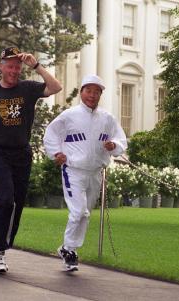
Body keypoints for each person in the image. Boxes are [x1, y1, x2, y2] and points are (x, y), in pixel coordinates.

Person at [0, 46, 62, 273]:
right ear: (1, 67)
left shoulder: (27, 88)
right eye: (10, 66)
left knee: (16, 202)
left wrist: (36, 65)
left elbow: (56, 87)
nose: (14, 70)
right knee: (5, 199)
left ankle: (2, 245)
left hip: (21, 152)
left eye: (17, 66)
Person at [43, 74, 127, 271]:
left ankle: (67, 248)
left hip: (95, 172)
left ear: (100, 95)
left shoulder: (107, 118)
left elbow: (120, 139)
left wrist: (113, 145)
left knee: (85, 213)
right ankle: (70, 249)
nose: (92, 95)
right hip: (73, 170)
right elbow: (51, 134)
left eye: (96, 92)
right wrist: (56, 153)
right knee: (78, 211)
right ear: (81, 92)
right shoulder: (69, 116)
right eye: (88, 91)